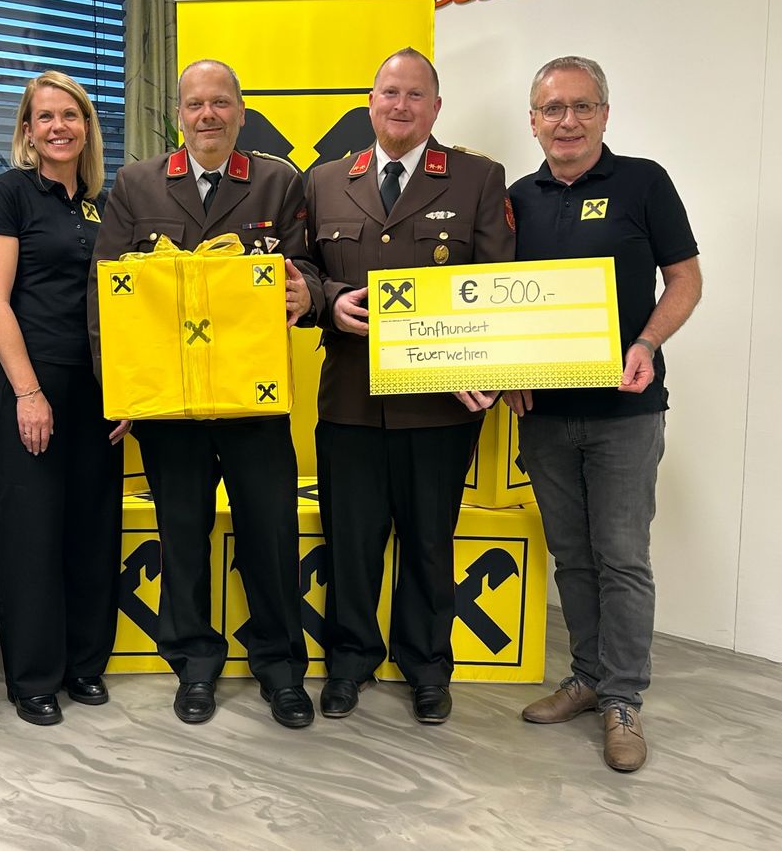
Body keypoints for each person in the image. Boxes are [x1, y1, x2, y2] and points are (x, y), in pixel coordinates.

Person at [89, 59, 319, 729]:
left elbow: (304, 263)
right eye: (196, 104)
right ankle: (193, 664)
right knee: (182, 535)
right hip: (169, 405)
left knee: (269, 537)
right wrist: (120, 388)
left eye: (222, 102)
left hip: (252, 399)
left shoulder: (278, 180)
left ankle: (280, 667)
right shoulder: (136, 184)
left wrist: (301, 287)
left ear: (241, 112)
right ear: (180, 115)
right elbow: (107, 294)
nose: (209, 114)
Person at [304, 48, 514, 724]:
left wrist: (478, 367)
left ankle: (428, 666)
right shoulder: (327, 180)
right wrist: (328, 298)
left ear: (435, 107)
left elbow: (496, 282)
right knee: (351, 541)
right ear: (370, 102)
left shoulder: (478, 177)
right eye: (389, 92)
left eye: (414, 94)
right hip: (351, 399)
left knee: (429, 541)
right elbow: (296, 269)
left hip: (440, 405)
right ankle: (349, 662)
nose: (400, 105)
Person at [507, 55, 702, 772]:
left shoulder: (644, 182)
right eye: (552, 109)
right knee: (573, 555)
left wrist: (648, 340)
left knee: (622, 557)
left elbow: (685, 279)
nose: (567, 121)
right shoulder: (514, 197)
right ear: (533, 120)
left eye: (581, 107)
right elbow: (497, 300)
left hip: (626, 410)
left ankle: (623, 698)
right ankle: (586, 678)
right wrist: (505, 375)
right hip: (544, 414)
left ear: (605, 115)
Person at [0, 71, 128, 726]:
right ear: (28, 131)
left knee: (93, 525)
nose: (59, 126)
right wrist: (29, 392)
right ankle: (34, 677)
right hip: (33, 381)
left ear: (87, 126)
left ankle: (84, 664)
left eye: (71, 115)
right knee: (34, 531)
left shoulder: (104, 203)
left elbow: (128, 306)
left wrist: (130, 390)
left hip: (99, 386)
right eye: (45, 116)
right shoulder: (9, 193)